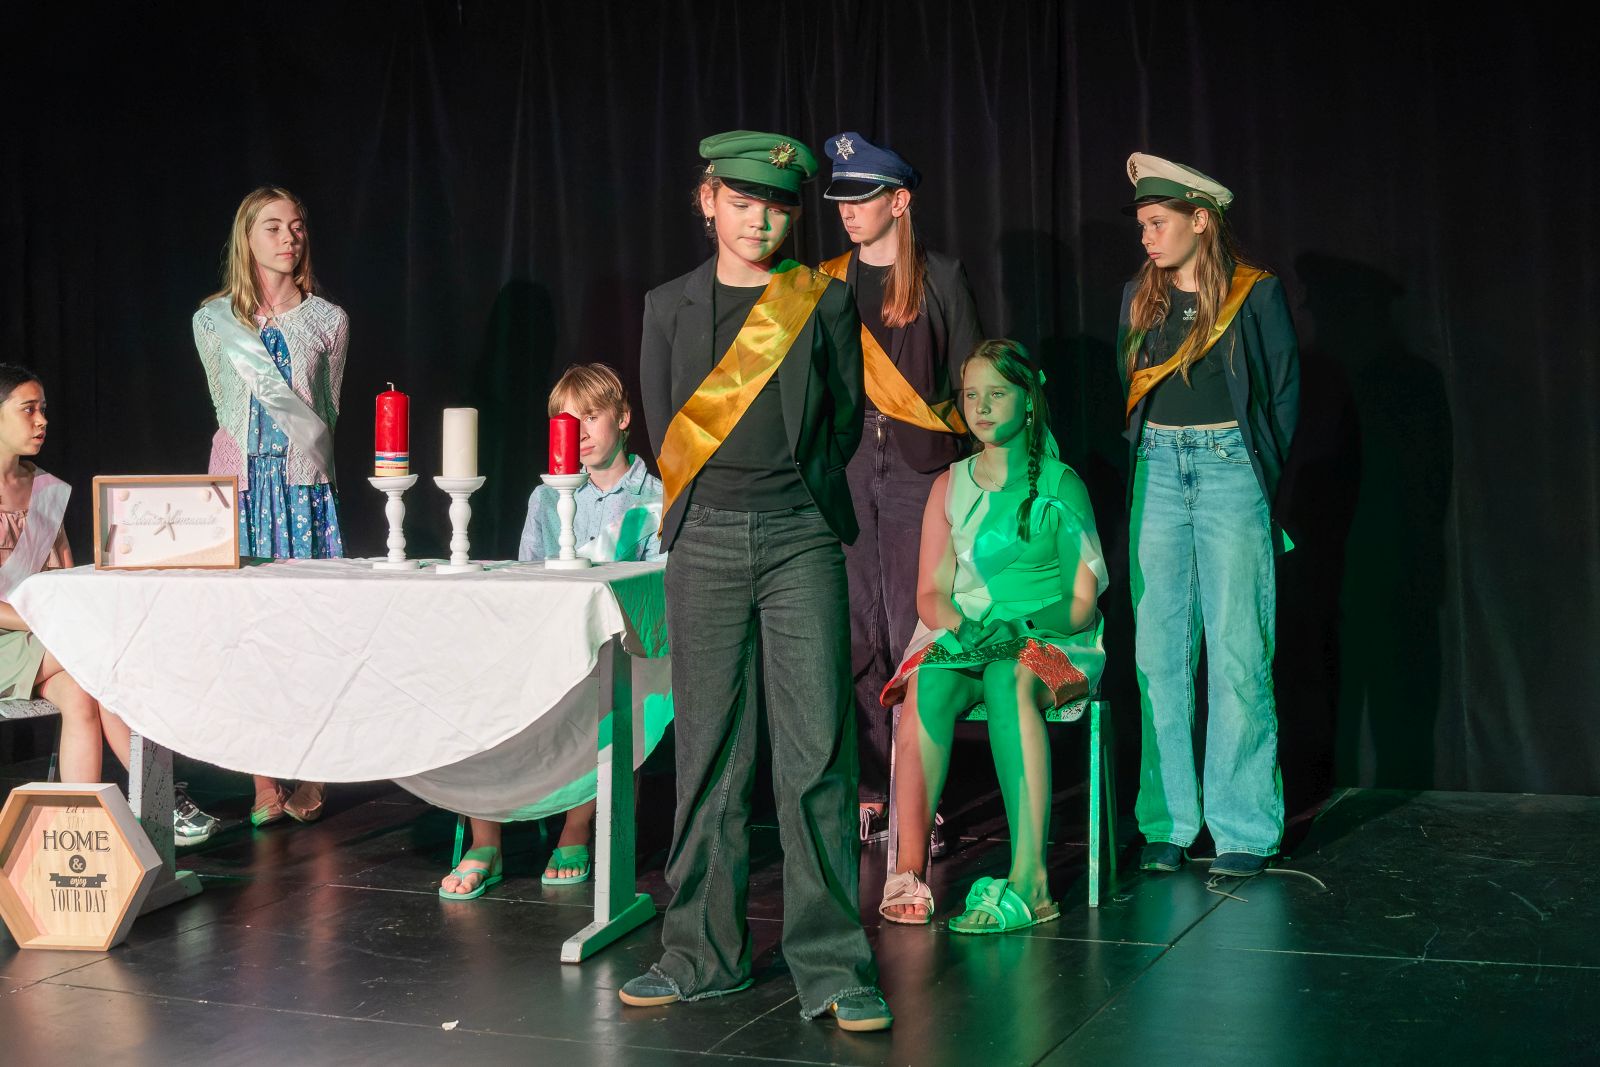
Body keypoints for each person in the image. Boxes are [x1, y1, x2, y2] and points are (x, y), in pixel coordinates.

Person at [621, 131, 891, 1032]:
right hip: (703, 542)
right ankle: (702, 953)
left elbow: (842, 422)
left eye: (776, 207)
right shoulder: (667, 306)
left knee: (816, 752)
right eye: (742, 203)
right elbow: (666, 423)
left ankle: (833, 964)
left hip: (800, 539)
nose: (759, 221)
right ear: (709, 202)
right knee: (709, 753)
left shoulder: (822, 299)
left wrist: (799, 501)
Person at [877, 340, 1106, 930]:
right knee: (929, 681)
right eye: (971, 394)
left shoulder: (1060, 484)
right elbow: (931, 594)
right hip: (971, 633)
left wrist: (1019, 626)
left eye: (996, 394)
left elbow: (1080, 604)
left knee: (1010, 675)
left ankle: (1032, 882)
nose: (979, 407)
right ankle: (908, 869)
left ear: (1028, 401)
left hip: (1051, 641)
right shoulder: (949, 485)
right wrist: (966, 626)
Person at [1117, 154, 1300, 879]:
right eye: (1141, 224)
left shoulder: (1256, 293)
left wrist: (1255, 478)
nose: (1147, 236)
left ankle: (1243, 827)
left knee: (1237, 650)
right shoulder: (1138, 296)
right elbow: (1130, 389)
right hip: (1157, 469)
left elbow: (1282, 397)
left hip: (1229, 469)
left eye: (1157, 222)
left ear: (1200, 219)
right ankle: (1167, 821)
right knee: (1158, 653)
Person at [439, 362, 666, 899]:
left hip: (613, 652)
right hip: (548, 642)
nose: (578, 432)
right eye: (565, 421)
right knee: (482, 685)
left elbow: (656, 593)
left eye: (590, 416)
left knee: (595, 695)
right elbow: (528, 580)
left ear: (623, 417)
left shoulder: (654, 497)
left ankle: (576, 828)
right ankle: (487, 840)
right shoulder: (546, 498)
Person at [817, 132, 982, 852]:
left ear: (900, 201)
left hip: (923, 466)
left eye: (862, 197)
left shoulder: (941, 275)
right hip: (850, 462)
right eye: (841, 198)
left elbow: (974, 379)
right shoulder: (826, 280)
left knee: (915, 628)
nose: (847, 210)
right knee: (858, 628)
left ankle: (918, 796)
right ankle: (872, 787)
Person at [194, 186, 349, 829]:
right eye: (273, 227)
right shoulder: (212, 321)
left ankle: (314, 768)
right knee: (248, 634)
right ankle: (262, 776)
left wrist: (308, 470)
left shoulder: (329, 320)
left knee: (311, 631)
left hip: (303, 490)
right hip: (240, 492)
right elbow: (223, 406)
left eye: (297, 226)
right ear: (247, 237)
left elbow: (328, 410)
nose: (289, 238)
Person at [0, 366, 138, 797]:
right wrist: (51, 624)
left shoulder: (44, 489)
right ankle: (162, 796)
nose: (42, 420)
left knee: (82, 692)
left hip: (42, 639)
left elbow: (64, 581)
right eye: (28, 410)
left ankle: (81, 818)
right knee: (101, 657)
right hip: (22, 636)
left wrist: (62, 620)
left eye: (43, 409)